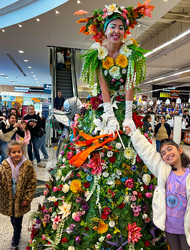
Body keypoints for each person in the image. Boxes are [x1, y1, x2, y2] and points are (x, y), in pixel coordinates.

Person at [27, 2, 166, 250]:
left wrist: (128, 116)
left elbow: (129, 86)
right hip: (102, 111)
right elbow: (102, 85)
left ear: (125, 30)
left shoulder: (132, 55)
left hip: (125, 108)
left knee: (136, 151)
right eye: (112, 26)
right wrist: (109, 115)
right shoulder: (96, 53)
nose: (116, 30)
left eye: (121, 27)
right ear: (104, 29)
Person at [125, 126, 190, 250]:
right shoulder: (164, 171)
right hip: (170, 228)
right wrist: (134, 133)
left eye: (170, 149)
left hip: (188, 230)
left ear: (180, 150)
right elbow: (147, 153)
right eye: (163, 153)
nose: (167, 154)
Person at [0, 140, 37, 250]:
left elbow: (32, 182)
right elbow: (2, 180)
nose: (16, 154)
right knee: (12, 218)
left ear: (23, 152)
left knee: (18, 220)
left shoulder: (27, 165)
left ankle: (15, 241)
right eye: (14, 152)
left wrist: (27, 198)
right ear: (9, 153)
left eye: (19, 152)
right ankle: (17, 232)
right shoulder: (4, 164)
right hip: (8, 198)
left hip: (21, 199)